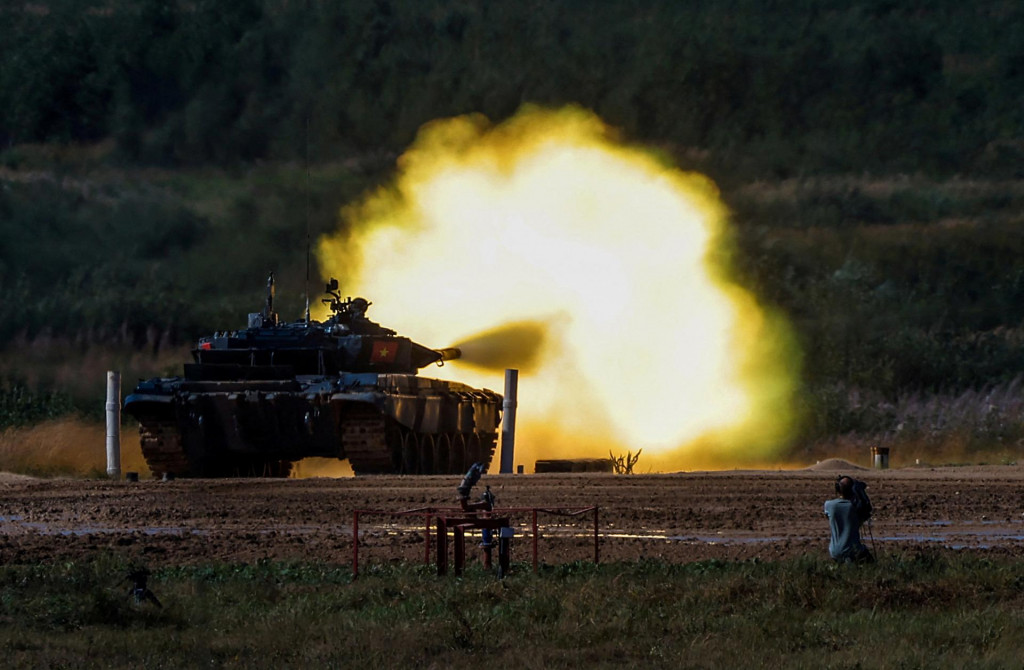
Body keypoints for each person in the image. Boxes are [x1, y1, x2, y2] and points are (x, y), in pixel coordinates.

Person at [824, 475, 874, 563]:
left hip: (834, 551)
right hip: (852, 550)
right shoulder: (855, 508)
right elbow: (867, 510)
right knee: (870, 562)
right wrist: (860, 492)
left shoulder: (829, 505)